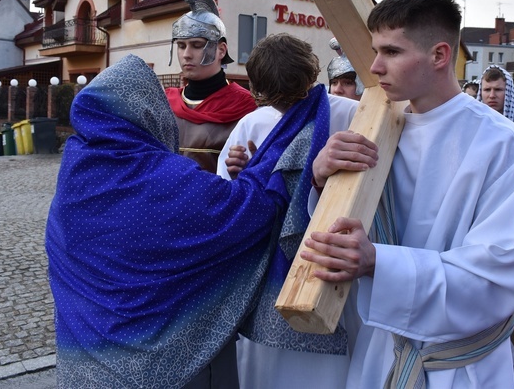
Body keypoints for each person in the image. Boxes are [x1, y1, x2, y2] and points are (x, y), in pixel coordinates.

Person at [301, 0, 514, 388]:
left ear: (440, 55)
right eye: (375, 51)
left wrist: (379, 264)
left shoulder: (502, 145)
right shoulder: (376, 126)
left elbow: (502, 271)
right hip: (381, 348)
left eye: (392, 52)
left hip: (458, 365)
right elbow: (343, 228)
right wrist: (320, 179)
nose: (375, 67)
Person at [45, 54, 330, 388]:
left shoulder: (75, 170)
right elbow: (250, 210)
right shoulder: (165, 179)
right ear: (149, 113)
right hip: (164, 369)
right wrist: (286, 143)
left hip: (83, 369)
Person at [216, 33, 358, 388]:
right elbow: (231, 201)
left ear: (311, 77)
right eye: (277, 100)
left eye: (292, 97)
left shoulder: (352, 116)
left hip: (328, 261)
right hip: (269, 272)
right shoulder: (253, 122)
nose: (285, 107)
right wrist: (241, 175)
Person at [165, 0, 256, 172]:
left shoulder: (247, 106)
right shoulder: (164, 102)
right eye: (181, 46)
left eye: (197, 45)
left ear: (221, 50)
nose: (186, 54)